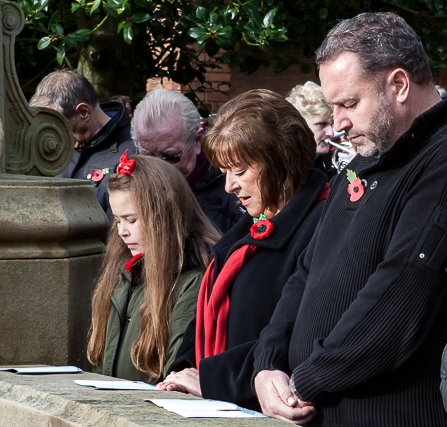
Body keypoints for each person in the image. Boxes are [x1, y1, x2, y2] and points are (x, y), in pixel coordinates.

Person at [252, 12, 447, 426]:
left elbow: (400, 295)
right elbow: (307, 270)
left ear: (398, 85)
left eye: (350, 103)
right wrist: (268, 364)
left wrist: (305, 382)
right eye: (332, 106)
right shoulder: (363, 160)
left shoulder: (439, 162)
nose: (338, 123)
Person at [156, 89, 330, 411]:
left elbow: (297, 333)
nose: (228, 186)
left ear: (281, 160)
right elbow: (205, 317)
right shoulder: (251, 224)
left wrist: (211, 378)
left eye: (239, 171)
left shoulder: (324, 222)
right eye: (223, 172)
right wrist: (180, 372)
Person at [86, 153, 221, 383]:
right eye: (118, 220)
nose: (122, 231)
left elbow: (174, 372)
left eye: (132, 219)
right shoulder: (125, 271)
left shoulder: (194, 279)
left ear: (163, 216)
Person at [131, 89, 245, 233]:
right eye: (148, 157)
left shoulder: (236, 187)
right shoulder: (128, 176)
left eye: (170, 157)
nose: (159, 169)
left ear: (198, 140)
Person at [29, 70, 136, 217]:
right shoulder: (56, 150)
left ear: (84, 112)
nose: (56, 140)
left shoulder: (132, 150)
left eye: (60, 128)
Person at [286, 81, 337, 180]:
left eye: (331, 124)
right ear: (298, 126)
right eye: (321, 125)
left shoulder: (327, 161)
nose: (330, 133)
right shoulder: (285, 168)